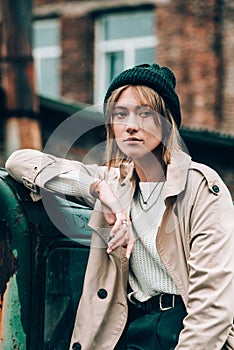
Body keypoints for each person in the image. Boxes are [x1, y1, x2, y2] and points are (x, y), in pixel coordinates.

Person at [5, 63, 234, 350]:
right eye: (120, 114)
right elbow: (19, 162)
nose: (131, 125)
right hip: (132, 325)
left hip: (184, 327)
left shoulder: (201, 188)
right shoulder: (115, 181)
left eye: (145, 113)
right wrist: (99, 188)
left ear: (167, 123)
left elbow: (212, 308)